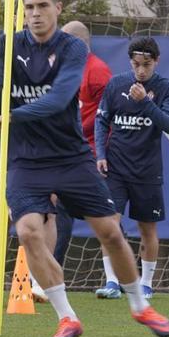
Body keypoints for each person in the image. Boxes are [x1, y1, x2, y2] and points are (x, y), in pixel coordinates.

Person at [0, 0, 169, 337]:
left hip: (70, 157)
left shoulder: (72, 49)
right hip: (25, 160)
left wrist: (10, 118)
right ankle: (67, 318)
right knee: (29, 232)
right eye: (29, 7)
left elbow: (58, 99)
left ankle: (141, 306)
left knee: (110, 230)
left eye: (42, 6)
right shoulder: (9, 45)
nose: (35, 14)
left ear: (57, 9)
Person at [93, 37, 169, 300]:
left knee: (147, 228)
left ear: (157, 62)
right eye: (136, 64)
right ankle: (111, 281)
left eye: (146, 64)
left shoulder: (166, 88)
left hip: (147, 170)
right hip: (116, 167)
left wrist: (145, 102)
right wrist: (101, 153)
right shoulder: (116, 84)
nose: (141, 70)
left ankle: (147, 283)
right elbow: (101, 121)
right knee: (110, 225)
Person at [52, 21, 112, 267]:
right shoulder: (60, 67)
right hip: (61, 153)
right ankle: (49, 274)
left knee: (106, 219)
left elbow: (105, 118)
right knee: (55, 210)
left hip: (87, 156)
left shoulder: (97, 71)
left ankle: (116, 279)